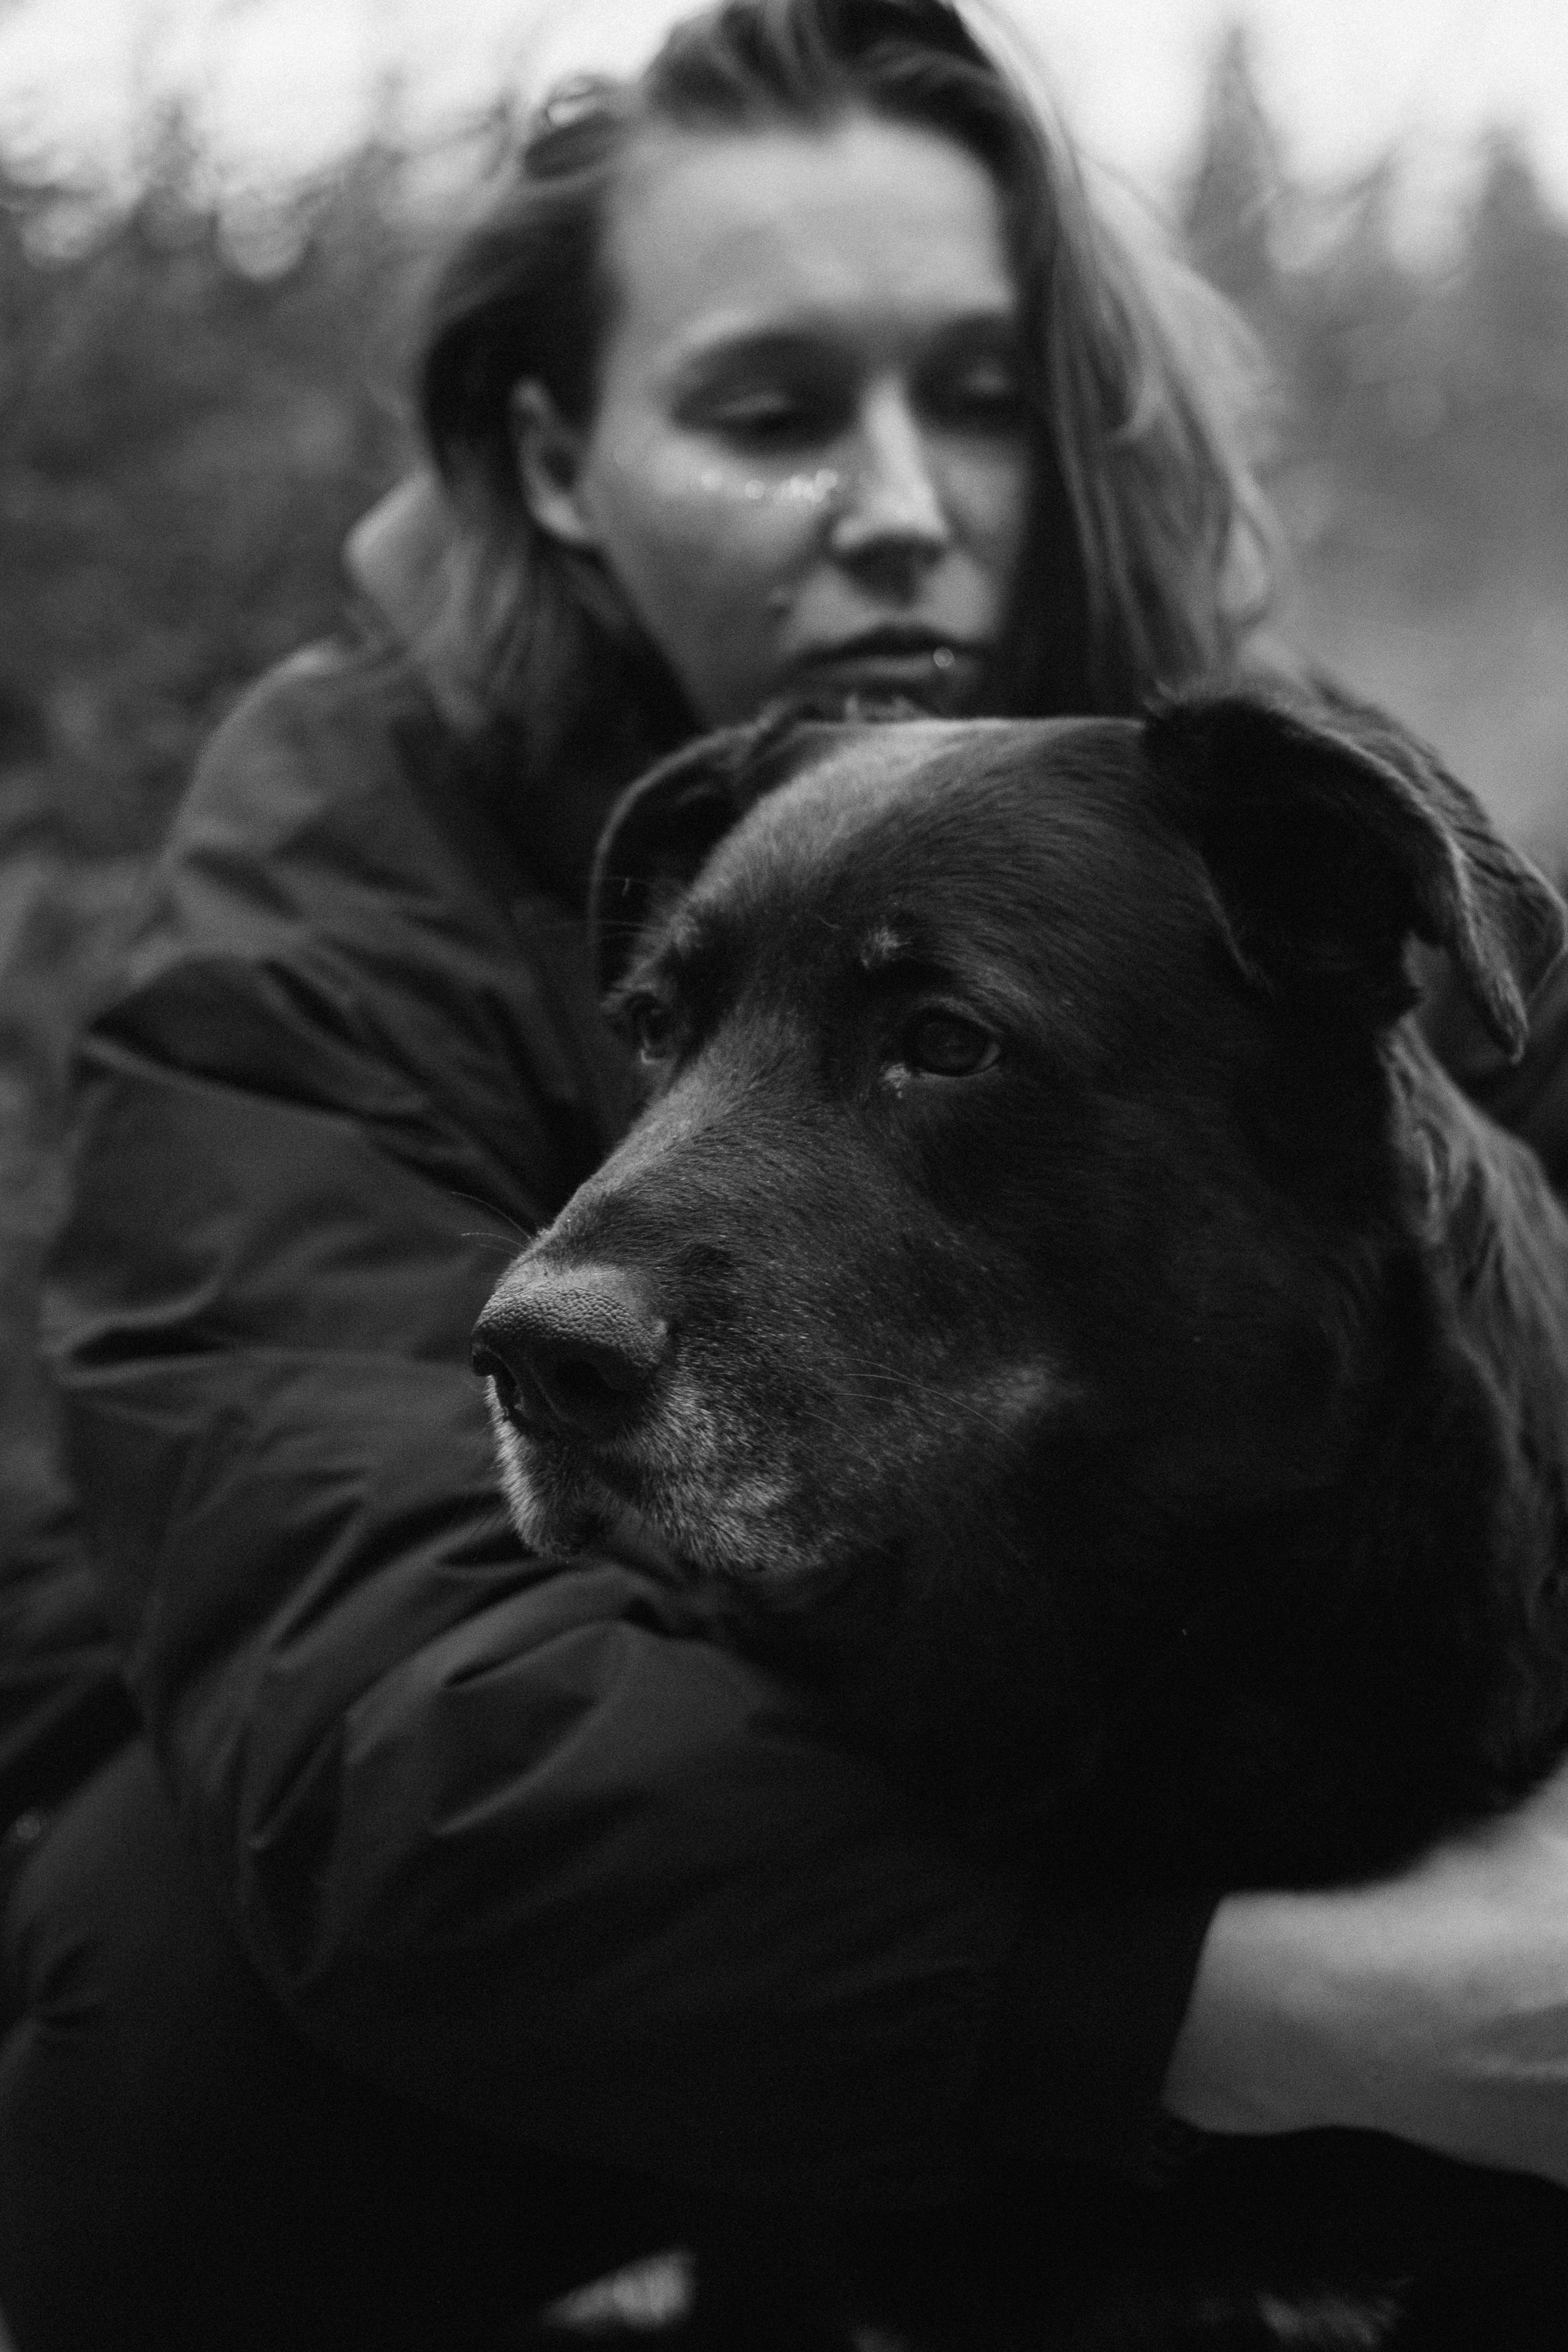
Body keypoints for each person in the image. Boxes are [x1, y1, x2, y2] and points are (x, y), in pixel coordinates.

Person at [3, 0, 1567, 2344]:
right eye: (766, 409)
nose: (901, 498)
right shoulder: (335, 883)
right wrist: (1235, 2007)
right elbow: (375, 1684)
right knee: (170, 2021)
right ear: (552, 460)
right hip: (448, 1794)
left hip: (1051, 1755)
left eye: (971, 391)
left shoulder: (1235, 825)